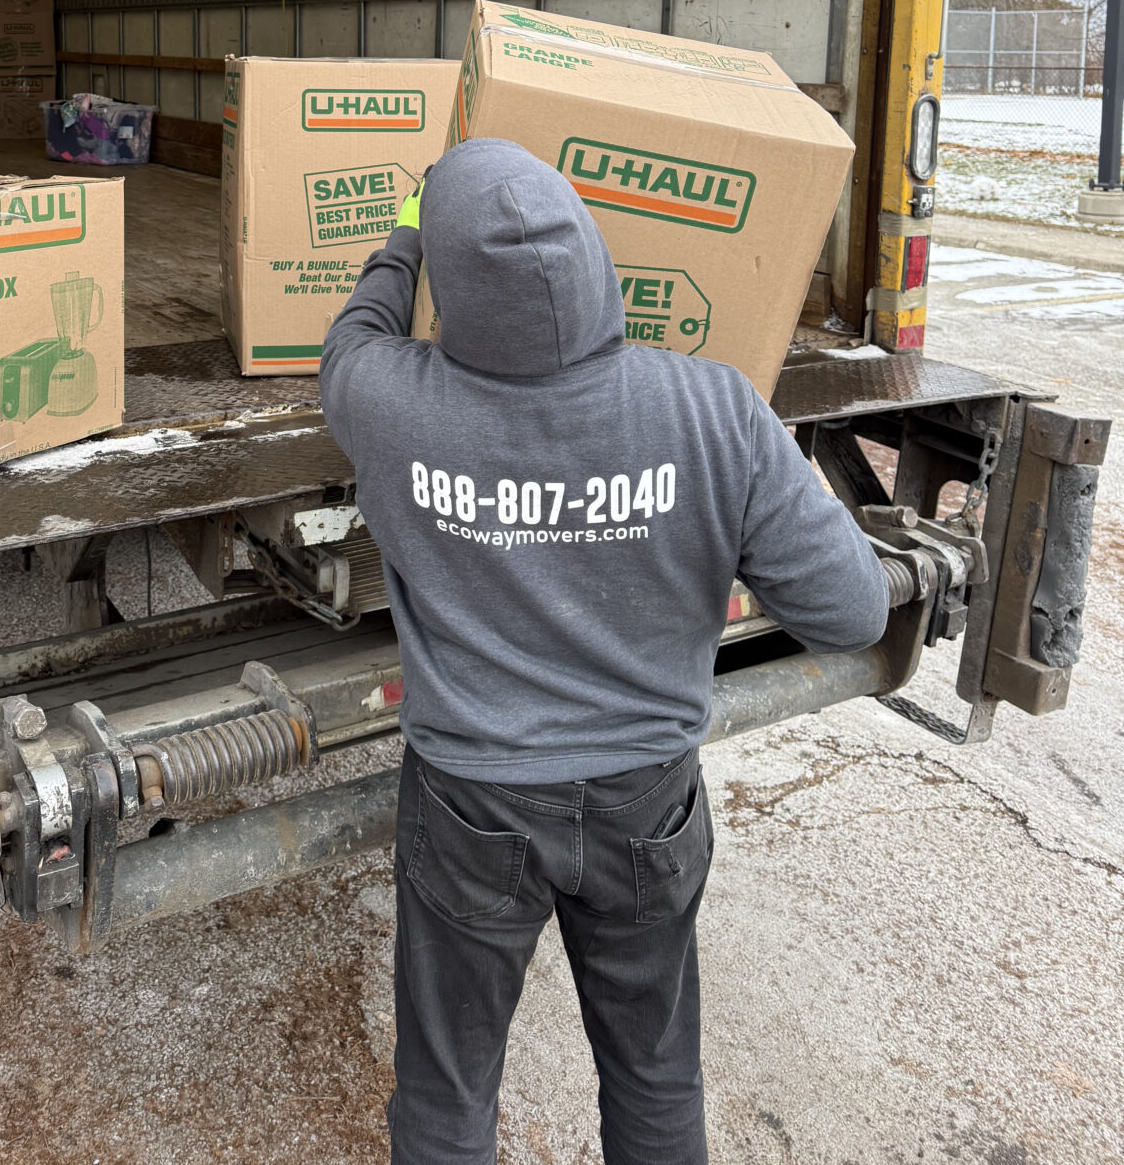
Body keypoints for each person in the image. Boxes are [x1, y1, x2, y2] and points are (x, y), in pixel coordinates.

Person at [319, 137, 890, 1165]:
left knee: (447, 1101)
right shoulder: (714, 409)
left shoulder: (385, 402)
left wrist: (406, 234)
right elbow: (851, 613)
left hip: (471, 806)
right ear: (595, 258)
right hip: (648, 806)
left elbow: (357, 327)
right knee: (657, 1075)